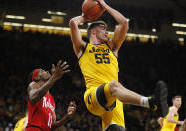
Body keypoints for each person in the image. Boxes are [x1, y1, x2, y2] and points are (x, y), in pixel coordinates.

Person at [69, 0, 168, 130]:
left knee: (117, 128)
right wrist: (86, 16)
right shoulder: (82, 48)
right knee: (114, 85)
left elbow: (124, 22)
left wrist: (104, 6)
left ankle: (150, 102)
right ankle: (151, 102)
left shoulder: (112, 47)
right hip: (93, 96)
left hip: (114, 97)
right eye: (103, 28)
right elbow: (72, 23)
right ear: (93, 31)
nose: (107, 32)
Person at [25, 60, 76, 131]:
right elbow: (33, 97)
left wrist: (67, 116)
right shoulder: (33, 85)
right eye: (42, 71)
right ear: (36, 78)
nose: (47, 71)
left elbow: (52, 126)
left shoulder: (51, 99)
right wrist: (54, 78)